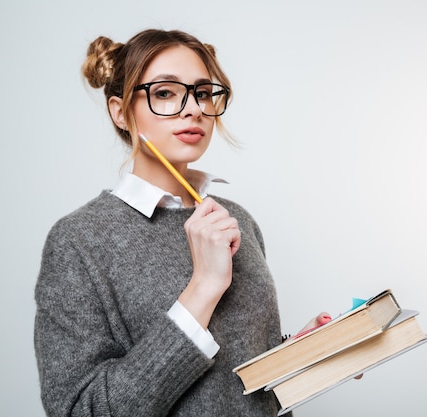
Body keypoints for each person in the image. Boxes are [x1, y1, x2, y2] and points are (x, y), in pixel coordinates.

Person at [34, 28, 319, 417]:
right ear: (120, 111)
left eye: (202, 93)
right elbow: (81, 411)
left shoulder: (238, 220)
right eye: (165, 93)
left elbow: (242, 390)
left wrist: (306, 355)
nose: (194, 109)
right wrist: (202, 288)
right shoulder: (78, 242)